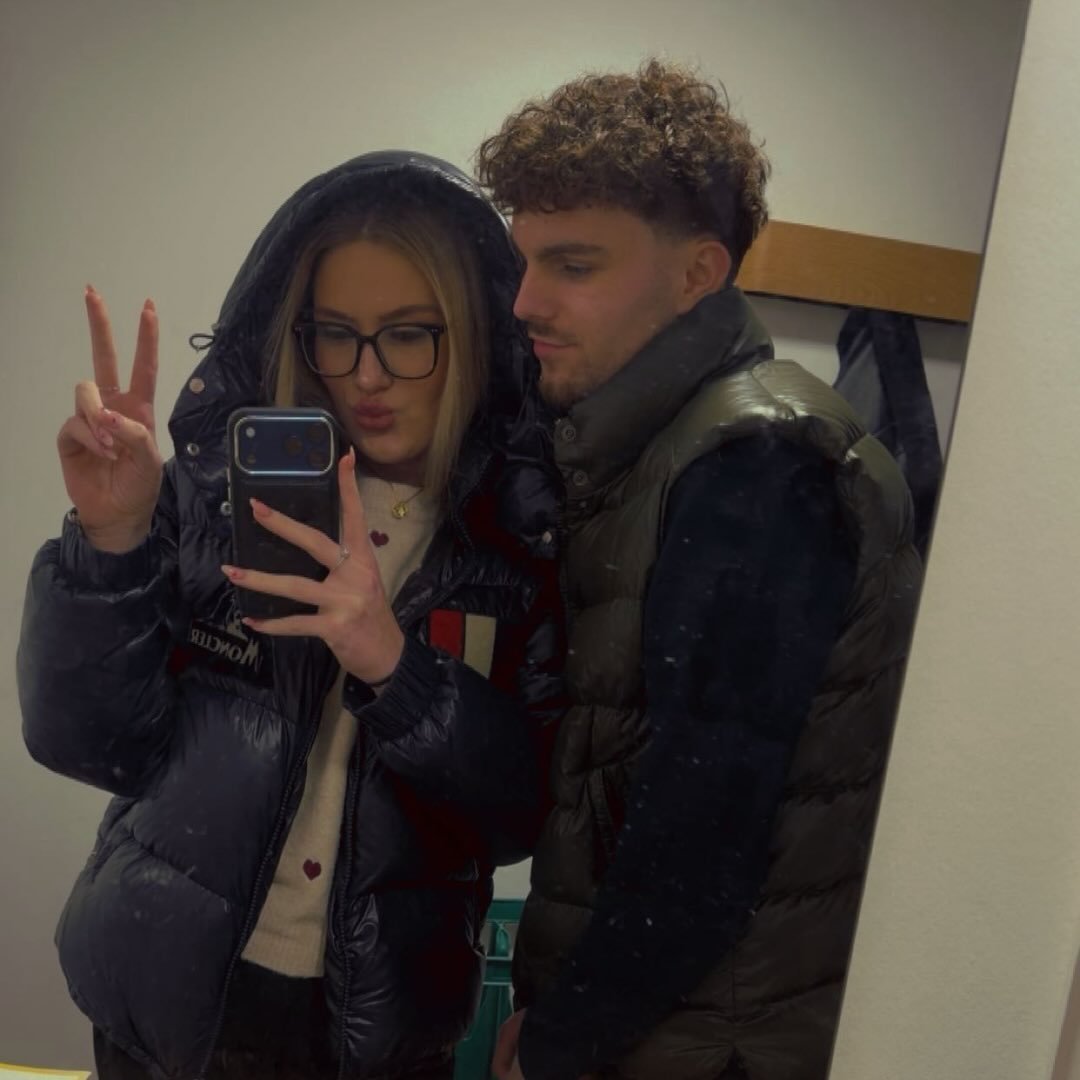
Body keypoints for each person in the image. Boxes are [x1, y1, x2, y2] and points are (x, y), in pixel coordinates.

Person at [16, 151, 565, 1080]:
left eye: (408, 335)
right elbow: (89, 743)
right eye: (335, 335)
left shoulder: (515, 551)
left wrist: (396, 668)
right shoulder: (211, 501)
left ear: (472, 334)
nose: (366, 376)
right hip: (170, 1002)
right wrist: (112, 540)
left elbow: (521, 814)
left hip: (379, 1028)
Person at [477, 60, 923, 1080]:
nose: (525, 301)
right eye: (525, 261)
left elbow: (706, 828)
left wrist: (561, 1040)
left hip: (705, 1046)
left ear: (697, 274)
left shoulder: (756, 463)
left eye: (573, 266)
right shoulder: (662, 448)